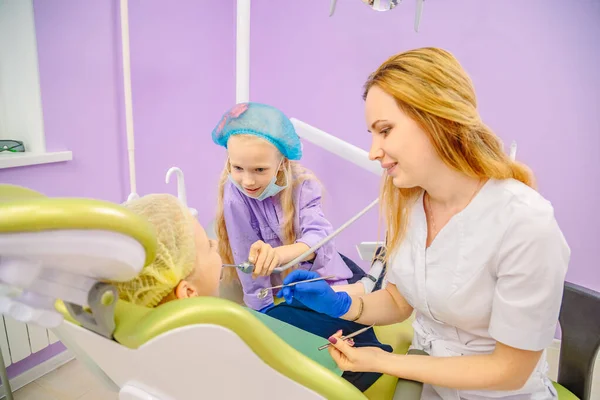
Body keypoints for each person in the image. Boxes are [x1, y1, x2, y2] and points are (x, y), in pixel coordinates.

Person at [278, 47, 570, 399]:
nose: (373, 151)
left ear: (438, 118)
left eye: (384, 130)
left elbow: (508, 370)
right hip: (431, 387)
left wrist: (381, 362)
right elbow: (401, 302)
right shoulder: (410, 203)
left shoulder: (524, 222)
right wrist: (343, 305)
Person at [112, 193, 392, 392]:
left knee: (290, 307)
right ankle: (373, 278)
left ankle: (368, 281)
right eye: (209, 246)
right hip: (333, 377)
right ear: (188, 291)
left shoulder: (147, 338)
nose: (214, 243)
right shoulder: (232, 325)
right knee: (337, 311)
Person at [212, 102, 383, 312]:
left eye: (259, 169)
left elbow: (319, 238)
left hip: (318, 272)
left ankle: (368, 285)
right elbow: (243, 253)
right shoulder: (234, 193)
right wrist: (263, 311)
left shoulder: (302, 184)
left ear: (282, 164)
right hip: (279, 287)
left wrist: (279, 255)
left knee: (354, 301)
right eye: (237, 168)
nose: (247, 181)